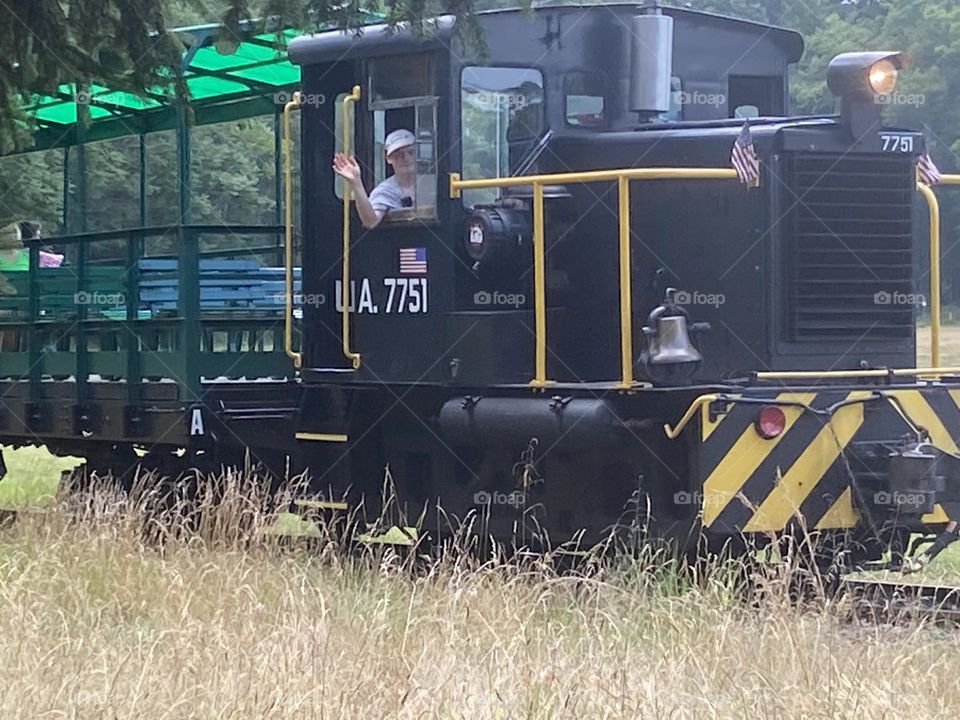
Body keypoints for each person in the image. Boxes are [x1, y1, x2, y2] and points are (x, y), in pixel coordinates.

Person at [333, 128, 417, 229]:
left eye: (411, 152)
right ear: (388, 158)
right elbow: (370, 222)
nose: (406, 158)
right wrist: (356, 183)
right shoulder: (386, 191)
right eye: (398, 155)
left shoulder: (433, 183)